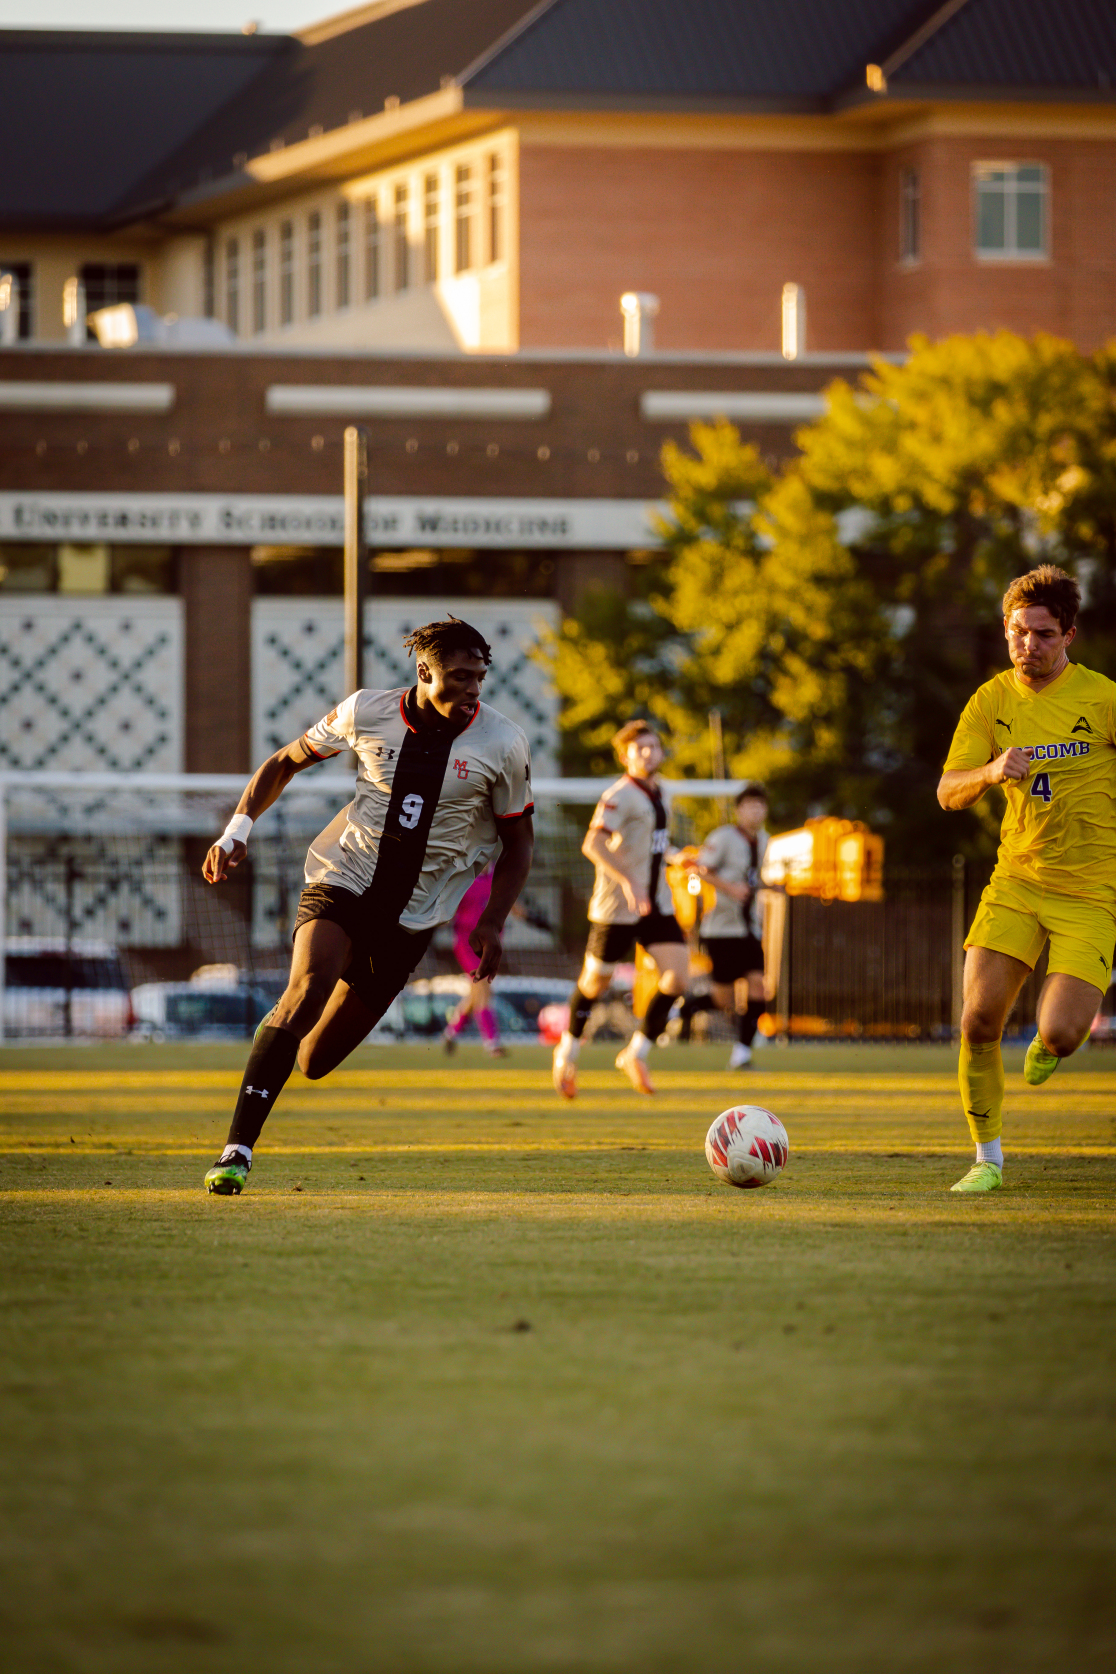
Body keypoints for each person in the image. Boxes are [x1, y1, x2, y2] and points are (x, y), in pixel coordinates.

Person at [201, 617, 533, 1194]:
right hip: (343, 878)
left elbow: (520, 839)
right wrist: (237, 829)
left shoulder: (502, 743)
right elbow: (285, 761)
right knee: (303, 992)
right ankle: (236, 1150)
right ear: (424, 672)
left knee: (314, 1060)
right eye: (458, 676)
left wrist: (494, 920)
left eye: (479, 677)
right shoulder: (366, 711)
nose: (472, 688)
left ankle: (277, 1039)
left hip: (414, 915)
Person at [937, 565, 1116, 1194]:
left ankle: (1049, 1045)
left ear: (1069, 635)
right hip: (1015, 881)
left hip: (1091, 894)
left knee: (1063, 1034)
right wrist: (988, 772)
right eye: (1018, 632)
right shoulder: (990, 702)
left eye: (1042, 634)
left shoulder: (1103, 698)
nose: (1027, 645)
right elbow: (946, 792)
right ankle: (987, 1160)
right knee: (977, 1022)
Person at [552, 721, 688, 1098]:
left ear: (661, 752)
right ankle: (567, 1051)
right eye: (639, 748)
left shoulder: (663, 792)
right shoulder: (619, 794)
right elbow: (593, 843)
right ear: (625, 756)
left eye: (653, 746)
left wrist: (678, 858)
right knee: (597, 982)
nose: (647, 753)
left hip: (656, 903)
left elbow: (654, 844)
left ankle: (637, 1053)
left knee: (677, 978)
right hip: (617, 907)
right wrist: (629, 880)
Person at [688, 783, 770, 1069]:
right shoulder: (723, 837)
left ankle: (742, 1054)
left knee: (759, 987)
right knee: (723, 998)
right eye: (750, 805)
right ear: (739, 810)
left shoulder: (764, 840)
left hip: (749, 930)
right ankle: (686, 1007)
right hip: (721, 929)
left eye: (760, 806)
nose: (756, 811)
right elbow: (701, 869)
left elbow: (753, 880)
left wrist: (772, 886)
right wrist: (730, 889)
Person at [442, 866, 508, 1056]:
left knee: (477, 992)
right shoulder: (463, 878)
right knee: (483, 988)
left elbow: (508, 901)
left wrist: (532, 917)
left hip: (489, 944)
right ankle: (492, 1043)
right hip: (467, 943)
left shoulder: (498, 875)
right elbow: (449, 908)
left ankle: (451, 1032)